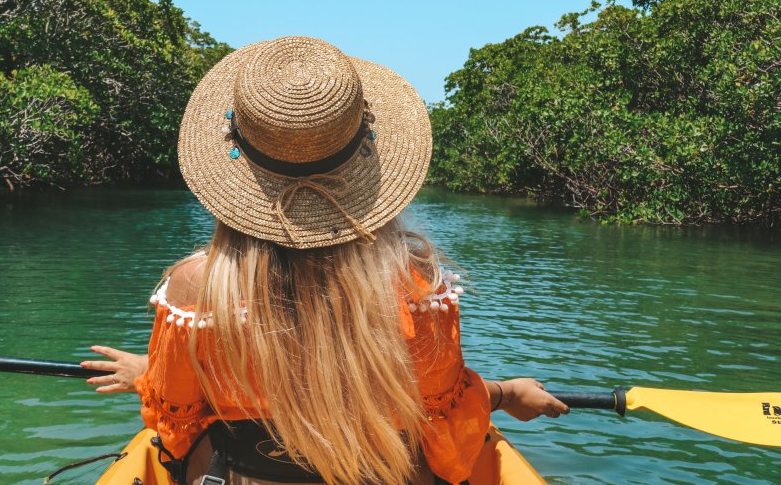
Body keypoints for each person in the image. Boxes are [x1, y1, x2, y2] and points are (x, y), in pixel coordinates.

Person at [83, 36, 568, 485]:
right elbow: (443, 417)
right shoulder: (416, 280)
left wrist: (150, 376)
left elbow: (178, 423)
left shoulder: (196, 289)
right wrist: (504, 394)